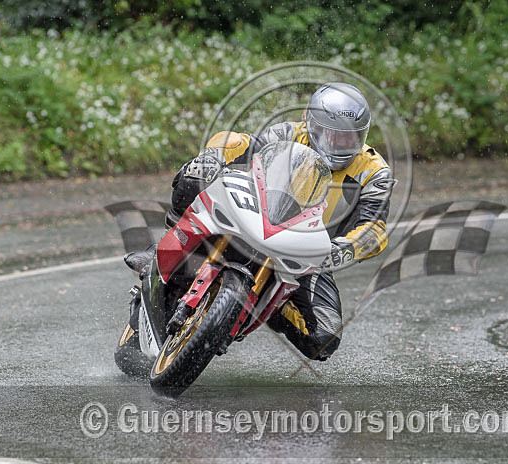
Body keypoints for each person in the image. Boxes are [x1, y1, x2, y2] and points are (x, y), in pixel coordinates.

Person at [125, 82, 394, 361]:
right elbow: (238, 142)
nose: (340, 144)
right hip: (256, 218)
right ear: (312, 124)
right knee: (195, 176)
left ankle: (269, 303)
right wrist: (213, 156)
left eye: (350, 138)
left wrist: (345, 249)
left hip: (309, 254)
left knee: (324, 338)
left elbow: (374, 228)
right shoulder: (288, 134)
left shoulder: (375, 172)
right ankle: (163, 249)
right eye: (333, 135)